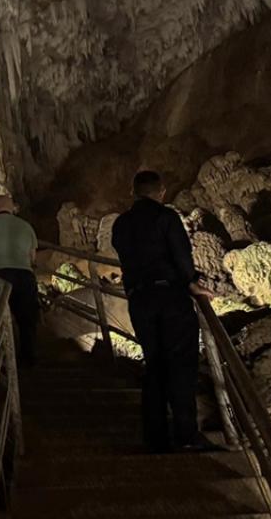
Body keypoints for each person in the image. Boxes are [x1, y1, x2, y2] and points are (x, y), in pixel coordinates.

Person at [111, 170, 217, 453]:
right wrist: (192, 283)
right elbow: (181, 254)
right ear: (161, 192)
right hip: (169, 295)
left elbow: (125, 256)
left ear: (133, 193)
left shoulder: (121, 224)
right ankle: (186, 434)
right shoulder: (166, 217)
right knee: (181, 365)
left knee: (154, 365)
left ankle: (155, 437)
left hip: (139, 299)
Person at [0, 195, 40, 367]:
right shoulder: (26, 226)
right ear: (11, 208)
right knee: (26, 318)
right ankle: (29, 358)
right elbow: (33, 257)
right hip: (24, 275)